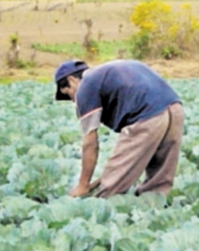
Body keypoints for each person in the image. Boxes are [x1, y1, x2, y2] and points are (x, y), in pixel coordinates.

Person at [53, 59, 184, 198]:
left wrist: (83, 185)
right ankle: (154, 208)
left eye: (68, 94)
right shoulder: (107, 72)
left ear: (71, 80)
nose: (74, 101)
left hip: (147, 116)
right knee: (158, 181)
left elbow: (90, 143)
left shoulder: (85, 85)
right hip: (175, 109)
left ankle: (100, 212)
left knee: (110, 190)